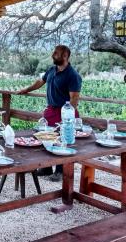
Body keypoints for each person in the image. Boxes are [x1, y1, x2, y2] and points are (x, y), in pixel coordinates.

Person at [16, 45, 82, 182]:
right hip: (50, 111)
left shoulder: (72, 75)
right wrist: (26, 90)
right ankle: (47, 168)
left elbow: (74, 99)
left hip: (64, 112)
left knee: (61, 140)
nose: (53, 55)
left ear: (65, 56)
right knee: (45, 137)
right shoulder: (52, 70)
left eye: (56, 53)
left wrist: (67, 118)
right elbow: (40, 81)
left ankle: (60, 171)